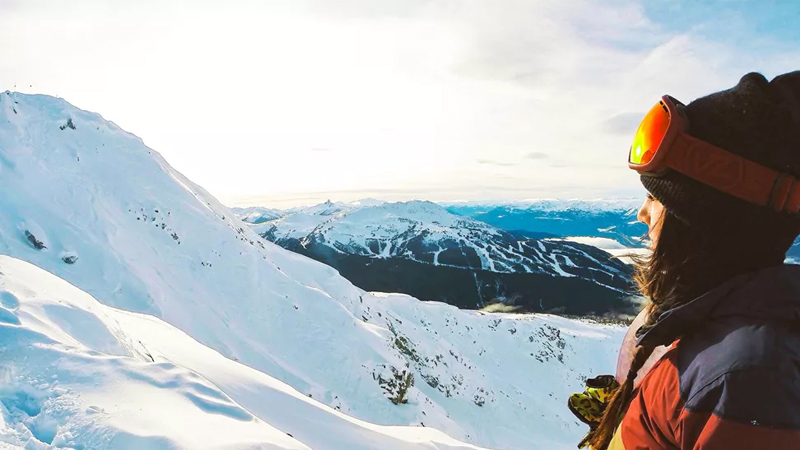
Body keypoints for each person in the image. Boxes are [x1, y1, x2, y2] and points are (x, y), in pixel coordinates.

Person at [588, 71, 800, 450]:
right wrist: (638, 412)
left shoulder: (740, 379)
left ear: (703, 223)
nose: (641, 213)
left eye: (656, 199)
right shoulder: (714, 338)